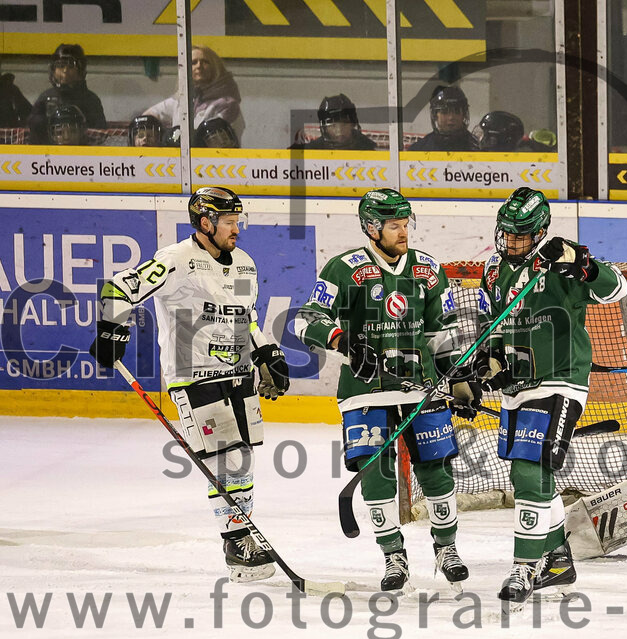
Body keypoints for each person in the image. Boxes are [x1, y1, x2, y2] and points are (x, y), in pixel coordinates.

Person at [89, 187, 290, 583]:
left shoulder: (245, 264)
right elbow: (119, 288)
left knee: (244, 458)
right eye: (229, 223)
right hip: (193, 374)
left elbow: (246, 317)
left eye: (238, 221)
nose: (237, 229)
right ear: (205, 223)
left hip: (238, 374)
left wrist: (267, 351)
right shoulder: (176, 260)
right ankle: (235, 543)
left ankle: (243, 532)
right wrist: (112, 329)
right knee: (225, 459)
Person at [295, 188, 471, 593]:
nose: (403, 231)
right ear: (372, 228)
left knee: (435, 467)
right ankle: (394, 555)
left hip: (421, 388)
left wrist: (457, 379)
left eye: (406, 224)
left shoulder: (427, 268)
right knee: (376, 472)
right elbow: (307, 320)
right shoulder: (343, 268)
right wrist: (343, 342)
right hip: (365, 390)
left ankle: (447, 549)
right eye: (394, 225)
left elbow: (440, 333)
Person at [470, 187, 627, 603]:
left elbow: (618, 289)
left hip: (561, 379)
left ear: (540, 232)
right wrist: (486, 364)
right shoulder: (493, 268)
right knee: (531, 476)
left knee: (529, 469)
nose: (512, 242)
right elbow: (493, 326)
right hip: (516, 388)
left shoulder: (564, 258)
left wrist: (585, 265)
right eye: (506, 234)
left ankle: (523, 569)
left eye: (521, 235)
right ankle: (558, 559)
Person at [145, 45, 245, 143]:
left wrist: (174, 136)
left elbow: (213, 139)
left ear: (215, 67)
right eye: (193, 62)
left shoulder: (227, 104)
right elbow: (149, 116)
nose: (199, 66)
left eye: (205, 62)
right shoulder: (180, 100)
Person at [27, 44, 106, 144]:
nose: (65, 71)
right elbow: (34, 136)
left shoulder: (90, 100)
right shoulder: (45, 98)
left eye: (70, 66)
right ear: (53, 70)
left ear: (80, 70)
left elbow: (100, 137)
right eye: (60, 66)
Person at [291, 93, 377, 150]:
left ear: (352, 123)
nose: (339, 131)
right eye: (333, 125)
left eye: (344, 124)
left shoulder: (367, 148)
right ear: (325, 128)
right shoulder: (314, 149)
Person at [408, 85, 478, 152]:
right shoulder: (419, 149)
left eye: (456, 111)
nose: (451, 117)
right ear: (435, 115)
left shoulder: (477, 148)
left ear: (464, 115)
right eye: (445, 112)